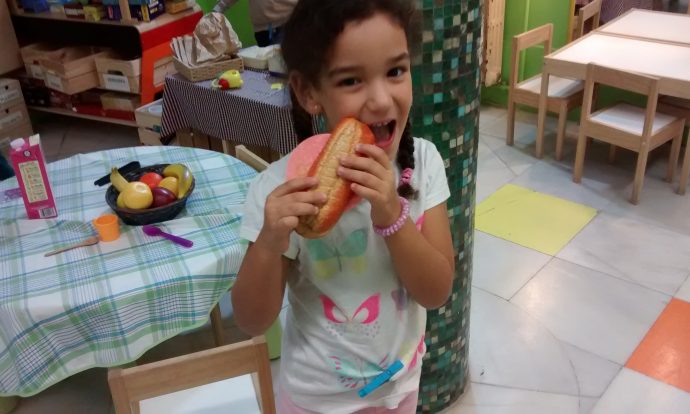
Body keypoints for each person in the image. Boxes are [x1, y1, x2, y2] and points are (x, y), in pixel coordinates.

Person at [232, 0, 455, 412]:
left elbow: (437, 291)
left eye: (396, 71)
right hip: (314, 400)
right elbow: (251, 320)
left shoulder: (422, 164)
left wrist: (392, 215)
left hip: (398, 387)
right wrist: (268, 243)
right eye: (352, 80)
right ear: (309, 92)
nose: (381, 100)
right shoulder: (281, 190)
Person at [212, 0, 297, 47]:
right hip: (262, 31)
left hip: (287, 25)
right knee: (267, 66)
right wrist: (217, 10)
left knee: (282, 65)